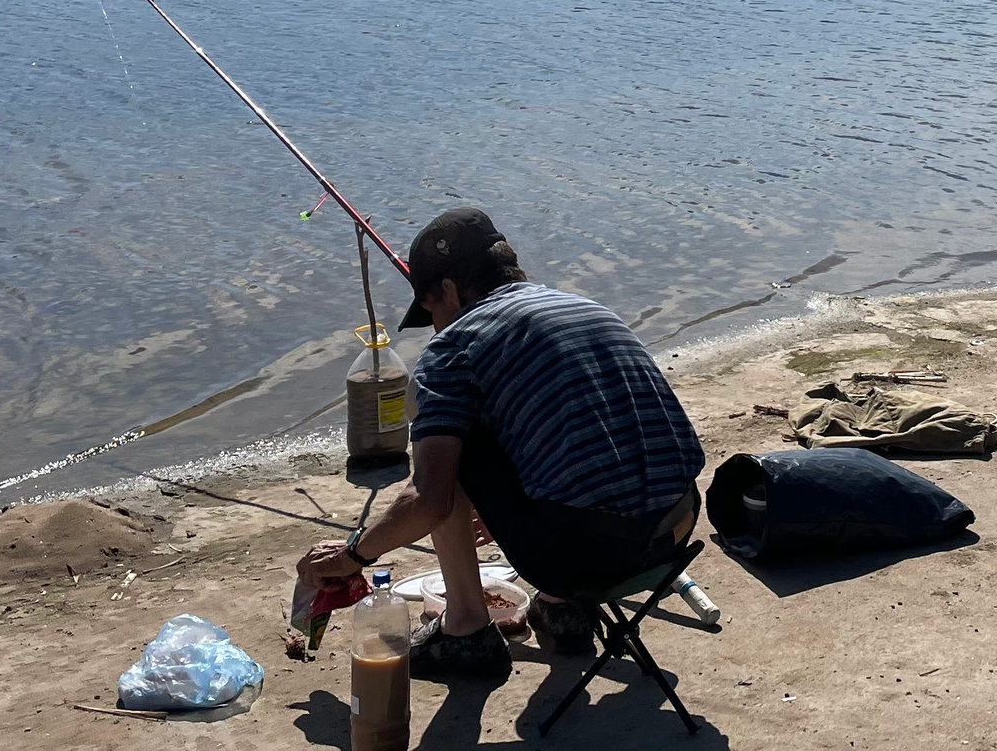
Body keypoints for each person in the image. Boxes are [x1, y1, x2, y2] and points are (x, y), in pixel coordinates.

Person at [294, 208, 705, 679]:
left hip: (595, 562)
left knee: (449, 451)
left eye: (430, 311)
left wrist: (354, 554)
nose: (434, 329)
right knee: (549, 423)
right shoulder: (588, 308)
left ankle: (467, 629)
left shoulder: (453, 350)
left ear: (447, 289)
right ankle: (561, 611)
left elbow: (427, 501)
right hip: (675, 532)